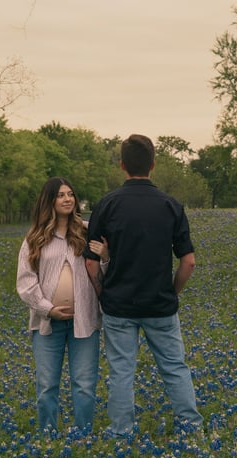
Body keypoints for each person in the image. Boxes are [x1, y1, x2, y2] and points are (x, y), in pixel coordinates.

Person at [85, 134, 203, 437]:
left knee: (122, 371)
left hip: (119, 305)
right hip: (160, 305)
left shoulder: (106, 205)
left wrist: (103, 293)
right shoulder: (171, 205)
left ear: (122, 165)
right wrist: (172, 292)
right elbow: (188, 262)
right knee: (175, 367)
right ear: (153, 164)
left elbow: (90, 262)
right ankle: (190, 429)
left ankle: (121, 431)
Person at [16, 177, 108, 434]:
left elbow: (106, 275)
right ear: (49, 201)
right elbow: (25, 282)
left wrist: (106, 258)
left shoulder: (88, 231)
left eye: (70, 194)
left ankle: (83, 435)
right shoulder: (35, 239)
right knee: (46, 385)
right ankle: (48, 434)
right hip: (47, 323)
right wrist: (48, 308)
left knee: (85, 384)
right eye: (60, 195)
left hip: (85, 320)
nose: (68, 199)